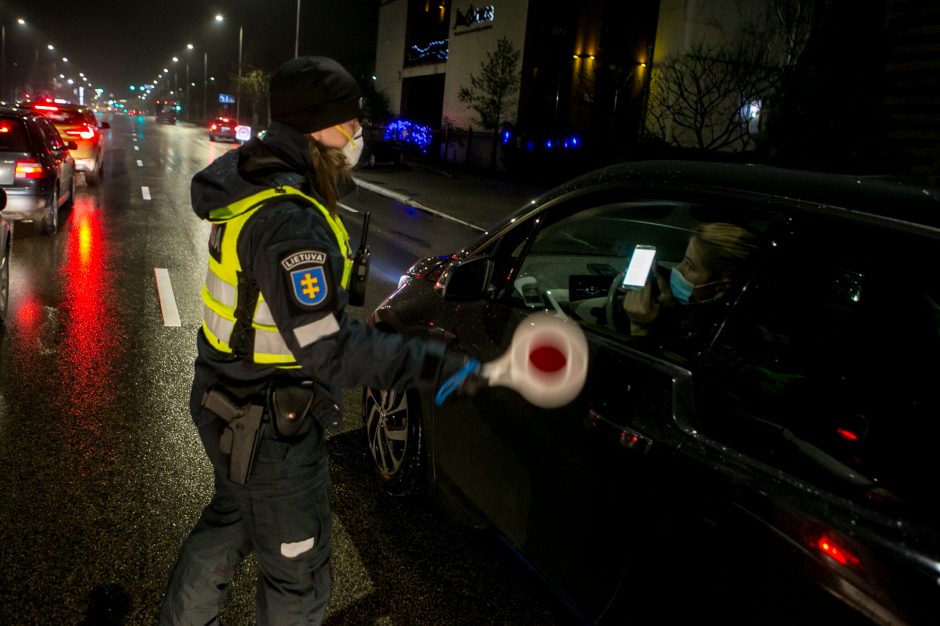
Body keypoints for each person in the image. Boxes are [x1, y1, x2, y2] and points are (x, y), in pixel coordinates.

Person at [159, 56, 471, 625]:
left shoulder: (255, 180)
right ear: (315, 128)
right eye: (349, 121)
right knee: (298, 583)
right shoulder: (287, 220)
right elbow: (329, 348)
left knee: (228, 525)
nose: (358, 132)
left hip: (227, 399)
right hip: (269, 425)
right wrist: (437, 363)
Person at [621, 222, 758, 340]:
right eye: (683, 259)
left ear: (721, 287)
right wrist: (669, 301)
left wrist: (640, 329)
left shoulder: (722, 335)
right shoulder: (703, 310)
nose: (678, 268)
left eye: (690, 265)